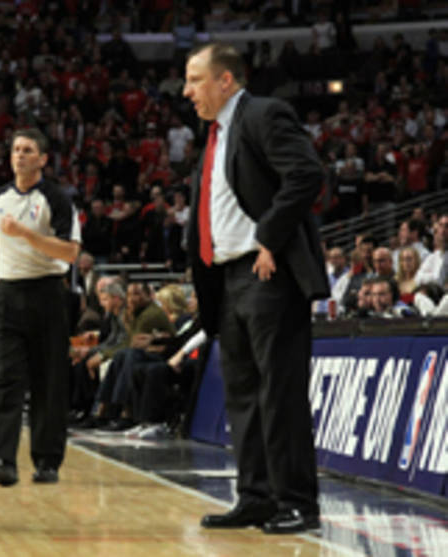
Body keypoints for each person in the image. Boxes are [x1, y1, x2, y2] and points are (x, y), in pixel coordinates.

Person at [184, 43, 329, 534]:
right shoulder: (213, 136)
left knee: (279, 393)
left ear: (225, 80)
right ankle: (256, 497)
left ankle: (298, 503)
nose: (187, 91)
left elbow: (306, 174)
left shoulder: (264, 114)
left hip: (268, 273)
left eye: (195, 79)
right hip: (228, 279)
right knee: (242, 396)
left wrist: (271, 236)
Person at [0, 127, 81, 486]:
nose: (19, 155)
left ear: (43, 159)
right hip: (7, 296)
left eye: (28, 150)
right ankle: (2, 459)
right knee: (7, 378)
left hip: (48, 292)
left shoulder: (57, 199)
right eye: (16, 149)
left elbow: (70, 252)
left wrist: (27, 234)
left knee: (49, 380)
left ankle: (47, 462)